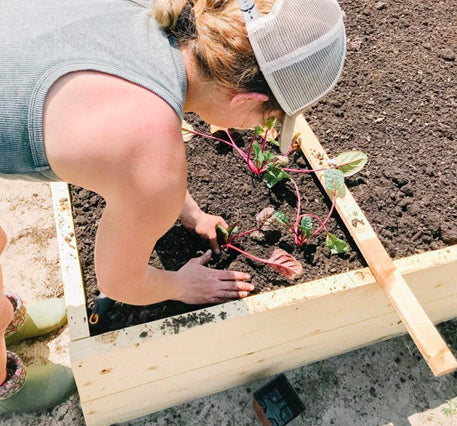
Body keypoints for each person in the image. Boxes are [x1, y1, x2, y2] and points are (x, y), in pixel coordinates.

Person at [0, 0, 346, 413]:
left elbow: (134, 146)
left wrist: (189, 212)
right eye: (269, 118)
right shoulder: (153, 157)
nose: (264, 129)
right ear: (243, 100)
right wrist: (181, 285)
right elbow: (117, 283)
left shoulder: (156, 16)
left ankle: (5, 314)